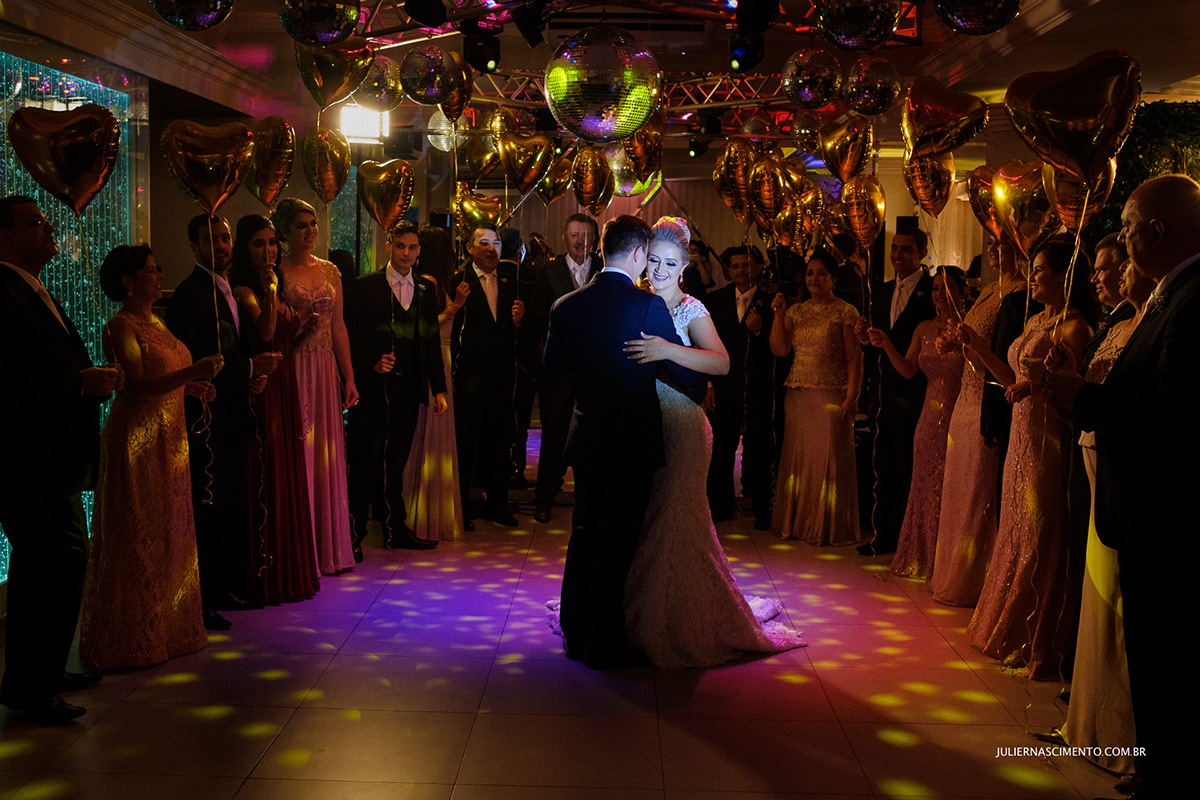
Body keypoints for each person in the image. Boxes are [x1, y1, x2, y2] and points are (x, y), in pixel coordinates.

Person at [1044, 174, 1200, 800]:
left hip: (1165, 519)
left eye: (1129, 224)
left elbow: (1172, 415)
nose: (1124, 235)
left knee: (1165, 664)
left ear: (1154, 232)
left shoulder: (1192, 301)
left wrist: (1084, 398)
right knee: (1151, 660)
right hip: (1143, 513)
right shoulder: (1172, 294)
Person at [621, 217, 804, 668]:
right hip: (640, 426)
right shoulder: (635, 301)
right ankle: (637, 611)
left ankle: (680, 616)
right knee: (645, 520)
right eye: (654, 260)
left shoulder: (692, 309)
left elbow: (721, 363)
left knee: (678, 519)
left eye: (671, 263)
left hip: (682, 427)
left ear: (684, 267)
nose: (660, 270)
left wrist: (667, 350)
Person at [543, 215, 705, 668]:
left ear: (601, 247)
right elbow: (687, 377)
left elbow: (553, 371)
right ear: (637, 253)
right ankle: (606, 642)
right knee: (617, 545)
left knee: (584, 535)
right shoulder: (647, 306)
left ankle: (576, 632)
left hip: (588, 438)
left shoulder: (565, 306)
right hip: (632, 442)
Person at [0, 196, 121, 723]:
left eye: (47, 220)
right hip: (30, 462)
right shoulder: (3, 293)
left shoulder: (31, 287)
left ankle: (44, 671)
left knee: (59, 565)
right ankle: (30, 687)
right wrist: (79, 382)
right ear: (4, 236)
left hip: (55, 462)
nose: (49, 229)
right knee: (47, 569)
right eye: (35, 222)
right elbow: (8, 384)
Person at [962, 234, 1094, 679]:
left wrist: (1035, 387)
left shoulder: (1074, 328)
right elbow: (1010, 380)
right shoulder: (1035, 319)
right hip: (1019, 436)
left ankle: (1037, 635)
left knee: (1041, 532)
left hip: (1047, 441)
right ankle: (1006, 622)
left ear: (1063, 276)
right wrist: (979, 349)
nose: (1032, 277)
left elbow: (1071, 388)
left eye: (1039, 270)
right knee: (1016, 527)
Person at [80, 244, 218, 668]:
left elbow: (163, 376)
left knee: (169, 529)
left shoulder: (158, 321)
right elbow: (137, 386)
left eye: (158, 269)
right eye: (151, 271)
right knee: (138, 531)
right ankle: (128, 636)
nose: (159, 276)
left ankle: (168, 628)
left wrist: (189, 388)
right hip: (137, 439)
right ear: (128, 281)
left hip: (170, 437)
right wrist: (193, 372)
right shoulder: (120, 325)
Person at [1059, 251, 1152, 778]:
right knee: (1097, 589)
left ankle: (1127, 739)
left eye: (1119, 261)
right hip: (1093, 458)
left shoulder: (1153, 324)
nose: (1103, 274)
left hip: (1124, 470)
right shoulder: (1116, 323)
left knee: (1118, 598)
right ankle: (1091, 718)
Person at [166, 214, 282, 629]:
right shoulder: (191, 293)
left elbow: (235, 348)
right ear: (194, 246)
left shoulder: (224, 287)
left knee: (227, 506)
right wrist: (250, 368)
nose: (221, 245)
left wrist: (251, 374)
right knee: (208, 509)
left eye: (225, 237)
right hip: (207, 418)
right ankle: (203, 599)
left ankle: (222, 588)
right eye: (210, 239)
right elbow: (201, 361)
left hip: (231, 413)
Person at [929, 237, 1025, 606]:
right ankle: (954, 572)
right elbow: (978, 349)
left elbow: (1002, 355)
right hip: (965, 399)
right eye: (992, 243)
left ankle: (978, 579)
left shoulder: (1019, 293)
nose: (995, 249)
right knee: (959, 487)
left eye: (1003, 242)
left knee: (978, 490)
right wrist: (957, 344)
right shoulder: (988, 291)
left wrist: (972, 345)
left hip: (987, 398)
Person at [230, 215, 321, 599]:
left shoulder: (275, 287)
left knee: (287, 470)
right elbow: (265, 332)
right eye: (258, 244)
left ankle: (289, 568)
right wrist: (269, 291)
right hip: (263, 388)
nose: (268, 251)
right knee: (269, 472)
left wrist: (305, 332)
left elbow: (282, 347)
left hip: (284, 382)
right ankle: (265, 574)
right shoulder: (244, 291)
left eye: (271, 243)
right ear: (244, 249)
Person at [346, 220, 446, 551]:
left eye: (412, 247)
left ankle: (394, 530)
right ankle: (354, 534)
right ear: (389, 246)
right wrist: (372, 361)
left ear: (419, 251)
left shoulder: (425, 289)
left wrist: (439, 388)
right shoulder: (365, 286)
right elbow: (348, 336)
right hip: (373, 390)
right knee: (365, 461)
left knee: (396, 463)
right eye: (400, 246)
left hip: (409, 389)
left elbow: (430, 341)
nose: (406, 253)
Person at [274, 198, 357, 574]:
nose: (309, 231)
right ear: (284, 232)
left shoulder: (330, 270)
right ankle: (300, 549)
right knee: (300, 449)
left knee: (326, 451)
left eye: (313, 224)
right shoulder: (276, 271)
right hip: (294, 364)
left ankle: (329, 547)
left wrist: (349, 376)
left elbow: (338, 327)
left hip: (324, 366)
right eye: (300, 225)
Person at [869, 266, 967, 580]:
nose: (940, 293)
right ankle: (923, 555)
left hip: (959, 413)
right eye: (936, 288)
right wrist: (886, 344)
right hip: (927, 417)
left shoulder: (969, 328)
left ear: (962, 292)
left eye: (947, 287)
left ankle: (949, 560)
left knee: (953, 486)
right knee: (924, 485)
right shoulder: (924, 328)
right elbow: (909, 370)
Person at [769, 250, 863, 546]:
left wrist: (852, 396)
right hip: (798, 394)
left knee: (829, 460)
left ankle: (825, 527)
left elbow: (854, 358)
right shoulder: (797, 312)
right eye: (810, 273)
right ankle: (797, 524)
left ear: (833, 278)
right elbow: (780, 349)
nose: (814, 278)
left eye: (821, 273)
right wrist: (778, 315)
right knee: (800, 461)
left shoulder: (845, 311)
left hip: (831, 395)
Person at [857, 228, 937, 555]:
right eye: (894, 248)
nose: (897, 255)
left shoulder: (932, 290)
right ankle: (884, 535)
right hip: (883, 393)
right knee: (884, 466)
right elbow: (874, 343)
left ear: (921, 252)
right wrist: (864, 337)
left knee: (909, 469)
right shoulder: (881, 289)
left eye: (905, 249)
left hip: (916, 391)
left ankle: (910, 539)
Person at [526, 213, 602, 523]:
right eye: (574, 235)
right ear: (564, 238)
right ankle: (545, 497)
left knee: (593, 436)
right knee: (554, 435)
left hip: (595, 372)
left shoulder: (604, 270)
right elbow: (535, 316)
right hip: (557, 371)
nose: (580, 241)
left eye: (585, 236)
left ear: (594, 240)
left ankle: (592, 499)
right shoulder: (548, 272)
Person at [450, 223, 524, 528]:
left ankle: (497, 504)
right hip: (468, 378)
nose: (492, 249)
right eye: (484, 243)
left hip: (501, 378)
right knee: (465, 446)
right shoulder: (458, 282)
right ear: (470, 248)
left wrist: (518, 322)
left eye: (497, 243)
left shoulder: (509, 281)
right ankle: (461, 508)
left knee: (499, 442)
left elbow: (512, 332)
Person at [403, 224, 469, 541]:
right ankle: (424, 510)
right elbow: (425, 326)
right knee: (429, 431)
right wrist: (455, 306)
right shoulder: (428, 282)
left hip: (443, 355)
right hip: (435, 356)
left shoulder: (431, 281)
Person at [704, 244, 776, 529]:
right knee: (721, 447)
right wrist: (708, 384)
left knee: (759, 447)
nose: (742, 271)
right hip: (723, 386)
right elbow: (705, 344)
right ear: (728, 271)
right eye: (736, 266)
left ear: (757, 267)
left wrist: (759, 331)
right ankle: (719, 505)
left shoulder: (770, 302)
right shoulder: (714, 301)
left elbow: (779, 348)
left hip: (758, 387)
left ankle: (761, 506)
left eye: (747, 265)